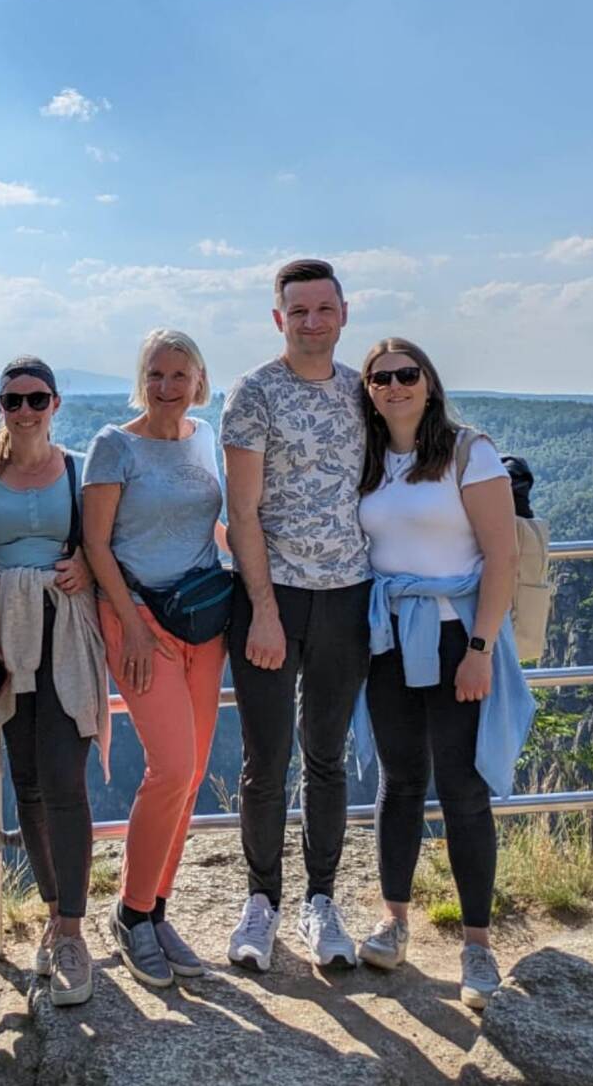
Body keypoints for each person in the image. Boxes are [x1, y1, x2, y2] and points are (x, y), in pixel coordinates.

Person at [351, 338, 533, 1009]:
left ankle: (478, 947)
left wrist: (481, 647)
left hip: (458, 633)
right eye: (380, 378)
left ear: (428, 381)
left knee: (462, 788)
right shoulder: (370, 459)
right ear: (367, 389)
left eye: (407, 374)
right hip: (390, 636)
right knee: (399, 782)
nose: (394, 386)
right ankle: (393, 921)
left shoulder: (467, 452)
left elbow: (501, 556)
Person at [222, 258, 372, 972]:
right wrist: (261, 609)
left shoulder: (363, 391)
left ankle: (321, 901)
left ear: (344, 313)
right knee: (266, 760)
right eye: (298, 311)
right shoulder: (254, 393)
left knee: (326, 756)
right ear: (278, 319)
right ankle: (261, 902)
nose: (312, 322)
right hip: (272, 594)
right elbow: (242, 509)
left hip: (350, 594)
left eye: (324, 309)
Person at [0, 356, 109, 1008]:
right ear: (0, 407)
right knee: (26, 780)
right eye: (13, 400)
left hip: (66, 632)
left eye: (36, 398)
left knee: (65, 779)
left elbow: (110, 545)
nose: (25, 411)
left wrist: (87, 568)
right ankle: (54, 914)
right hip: (2, 637)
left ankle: (73, 931)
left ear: (55, 404)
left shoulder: (79, 470)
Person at [82, 329, 226, 990]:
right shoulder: (115, 445)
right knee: (170, 766)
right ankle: (132, 914)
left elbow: (214, 524)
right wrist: (133, 629)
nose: (168, 386)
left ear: (199, 378)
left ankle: (157, 908)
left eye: (180, 374)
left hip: (202, 617)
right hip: (138, 619)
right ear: (143, 380)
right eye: (157, 374)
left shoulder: (205, 437)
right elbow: (97, 544)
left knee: (192, 773)